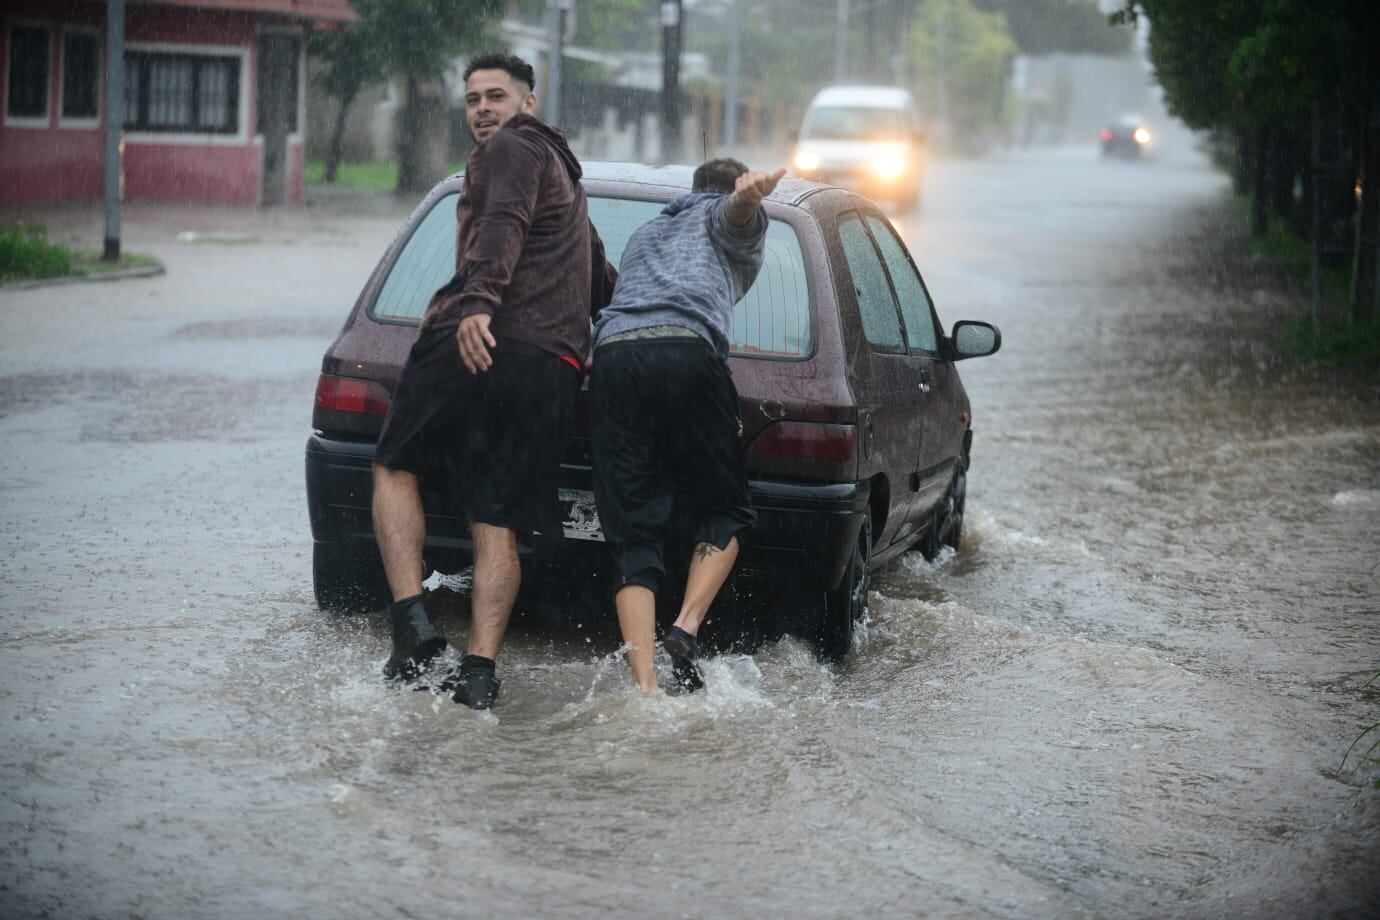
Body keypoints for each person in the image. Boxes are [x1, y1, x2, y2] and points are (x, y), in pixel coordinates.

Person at [371, 52, 615, 709]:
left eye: (496, 96)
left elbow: (501, 224)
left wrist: (479, 300)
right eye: (473, 97)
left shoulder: (512, 150)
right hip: (551, 370)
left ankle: (411, 626)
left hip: (479, 339)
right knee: (496, 520)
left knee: (394, 464)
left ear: (528, 104)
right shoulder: (568, 180)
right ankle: (479, 673)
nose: (482, 108)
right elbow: (604, 284)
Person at [589, 158, 786, 692]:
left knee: (632, 533)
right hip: (685, 350)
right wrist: (750, 197)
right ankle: (684, 628)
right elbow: (734, 216)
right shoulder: (728, 221)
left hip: (612, 358)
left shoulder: (647, 232)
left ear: (691, 188)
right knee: (727, 507)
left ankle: (646, 689)